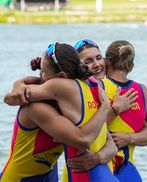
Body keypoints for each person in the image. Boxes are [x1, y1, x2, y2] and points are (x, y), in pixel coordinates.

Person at [3, 42, 119, 182]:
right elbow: (10, 98)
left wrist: (97, 158)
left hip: (49, 175)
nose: (42, 77)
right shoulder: (35, 108)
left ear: (62, 77)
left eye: (43, 73)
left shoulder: (69, 105)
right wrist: (19, 83)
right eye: (41, 73)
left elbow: (111, 145)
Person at [69, 39, 147, 182]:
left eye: (99, 58)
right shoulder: (140, 91)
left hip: (109, 169)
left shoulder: (100, 88)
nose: (97, 64)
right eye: (89, 61)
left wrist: (128, 138)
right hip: (109, 169)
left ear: (107, 61)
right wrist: (116, 109)